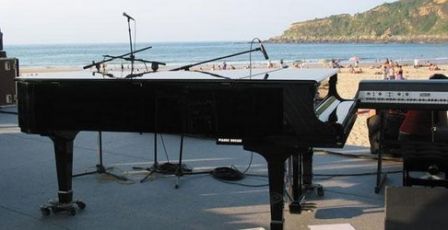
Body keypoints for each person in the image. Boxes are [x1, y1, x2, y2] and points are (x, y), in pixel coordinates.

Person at [398, 74, 448, 141]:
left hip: (403, 134)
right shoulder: (438, 100)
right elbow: (443, 125)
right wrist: (434, 128)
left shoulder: (422, 96)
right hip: (416, 136)